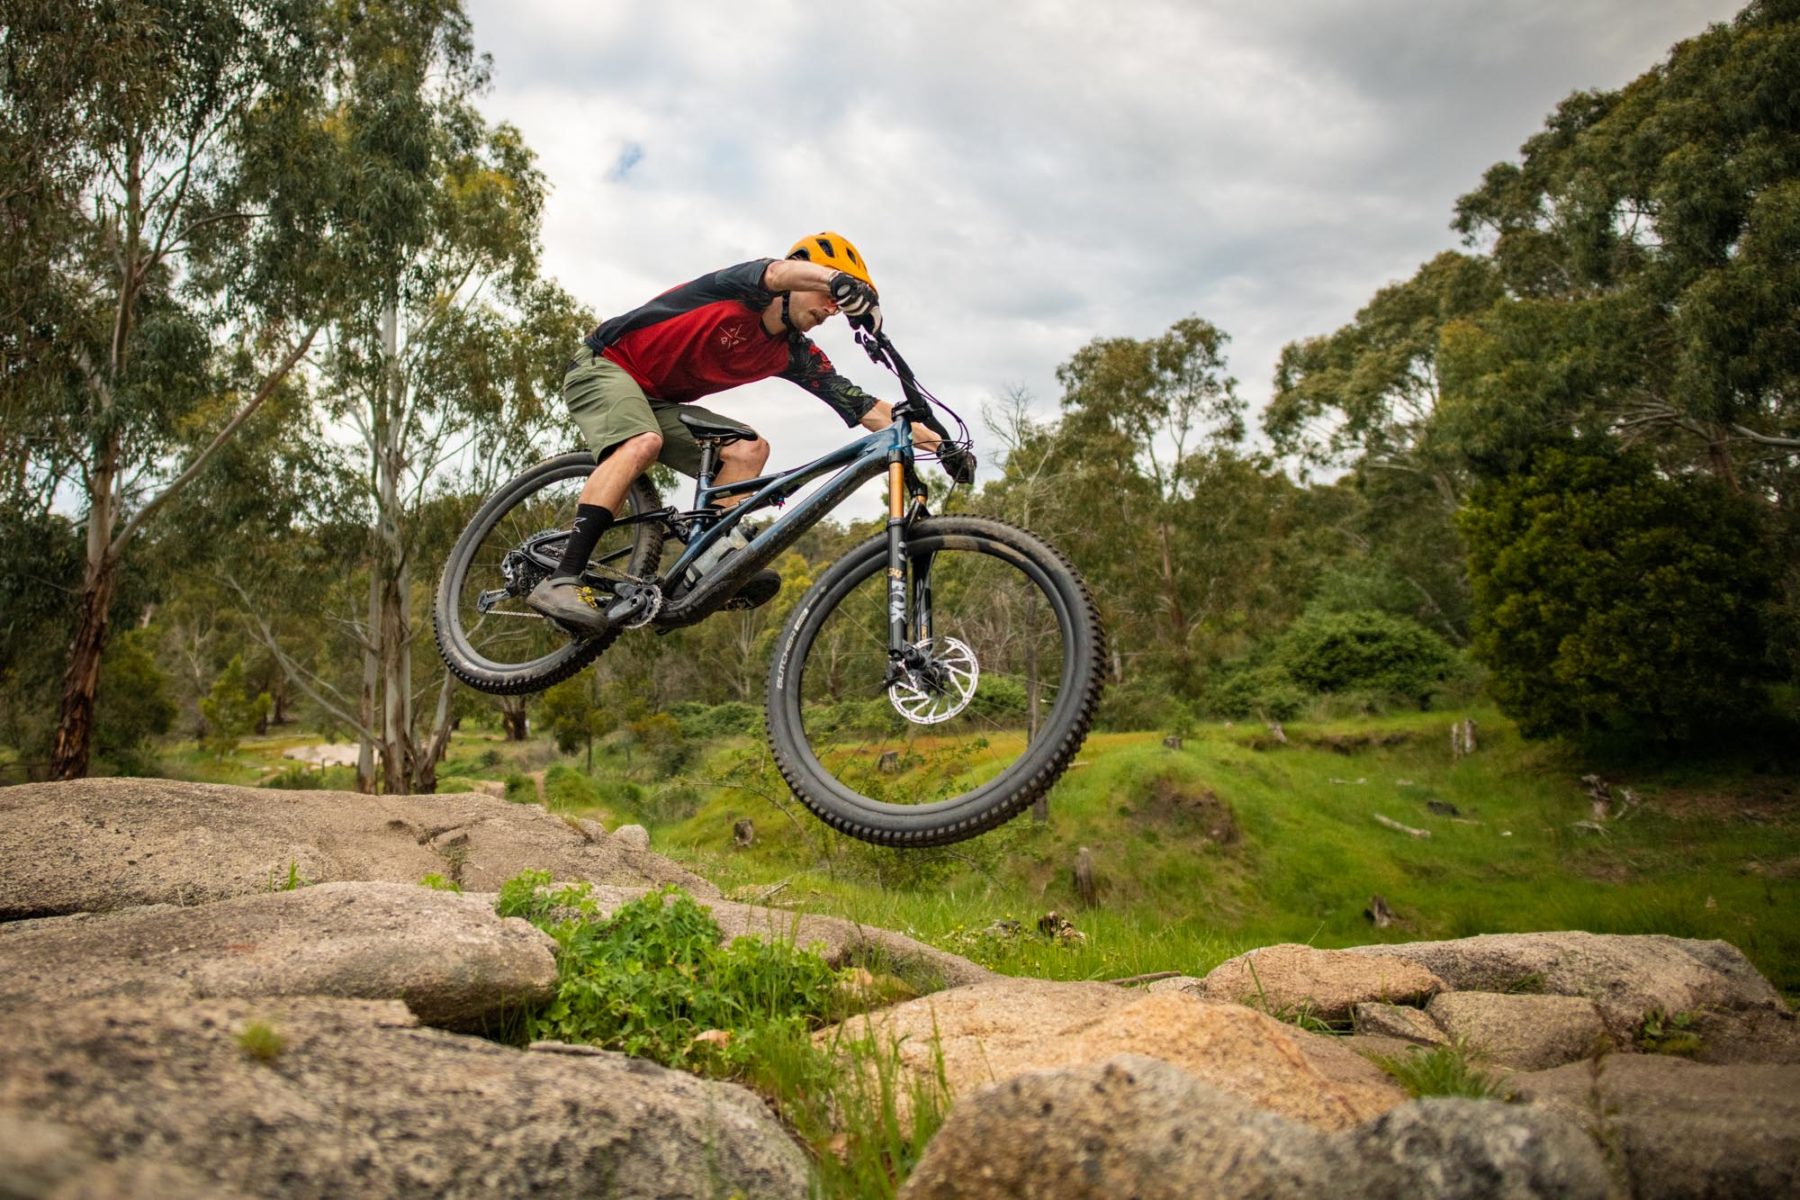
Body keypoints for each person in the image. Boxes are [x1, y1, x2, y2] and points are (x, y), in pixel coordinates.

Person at [528, 231, 943, 636]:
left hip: (656, 402)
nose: (831, 309)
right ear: (805, 272)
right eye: (827, 297)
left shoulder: (795, 352)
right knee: (643, 442)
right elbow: (776, 274)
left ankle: (708, 570)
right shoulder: (746, 286)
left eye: (838, 305)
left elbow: (866, 408)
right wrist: (835, 281)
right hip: (606, 364)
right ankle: (563, 577)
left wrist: (941, 447)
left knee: (748, 450)